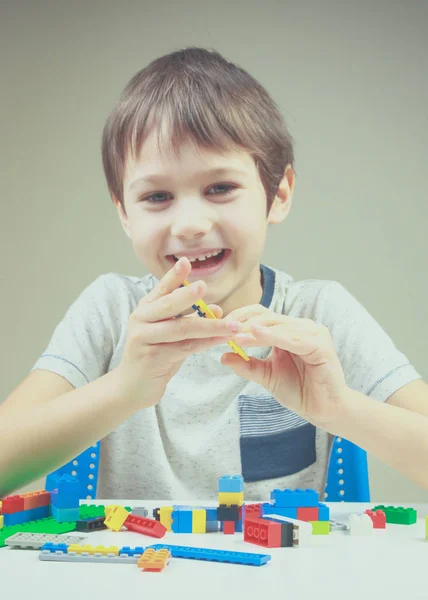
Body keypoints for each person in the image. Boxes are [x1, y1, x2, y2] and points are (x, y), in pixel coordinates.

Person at [1, 47, 427, 500]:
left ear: (278, 194)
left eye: (220, 188)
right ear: (124, 213)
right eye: (157, 197)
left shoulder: (318, 314)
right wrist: (123, 389)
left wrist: (341, 409)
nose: (189, 224)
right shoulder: (109, 311)